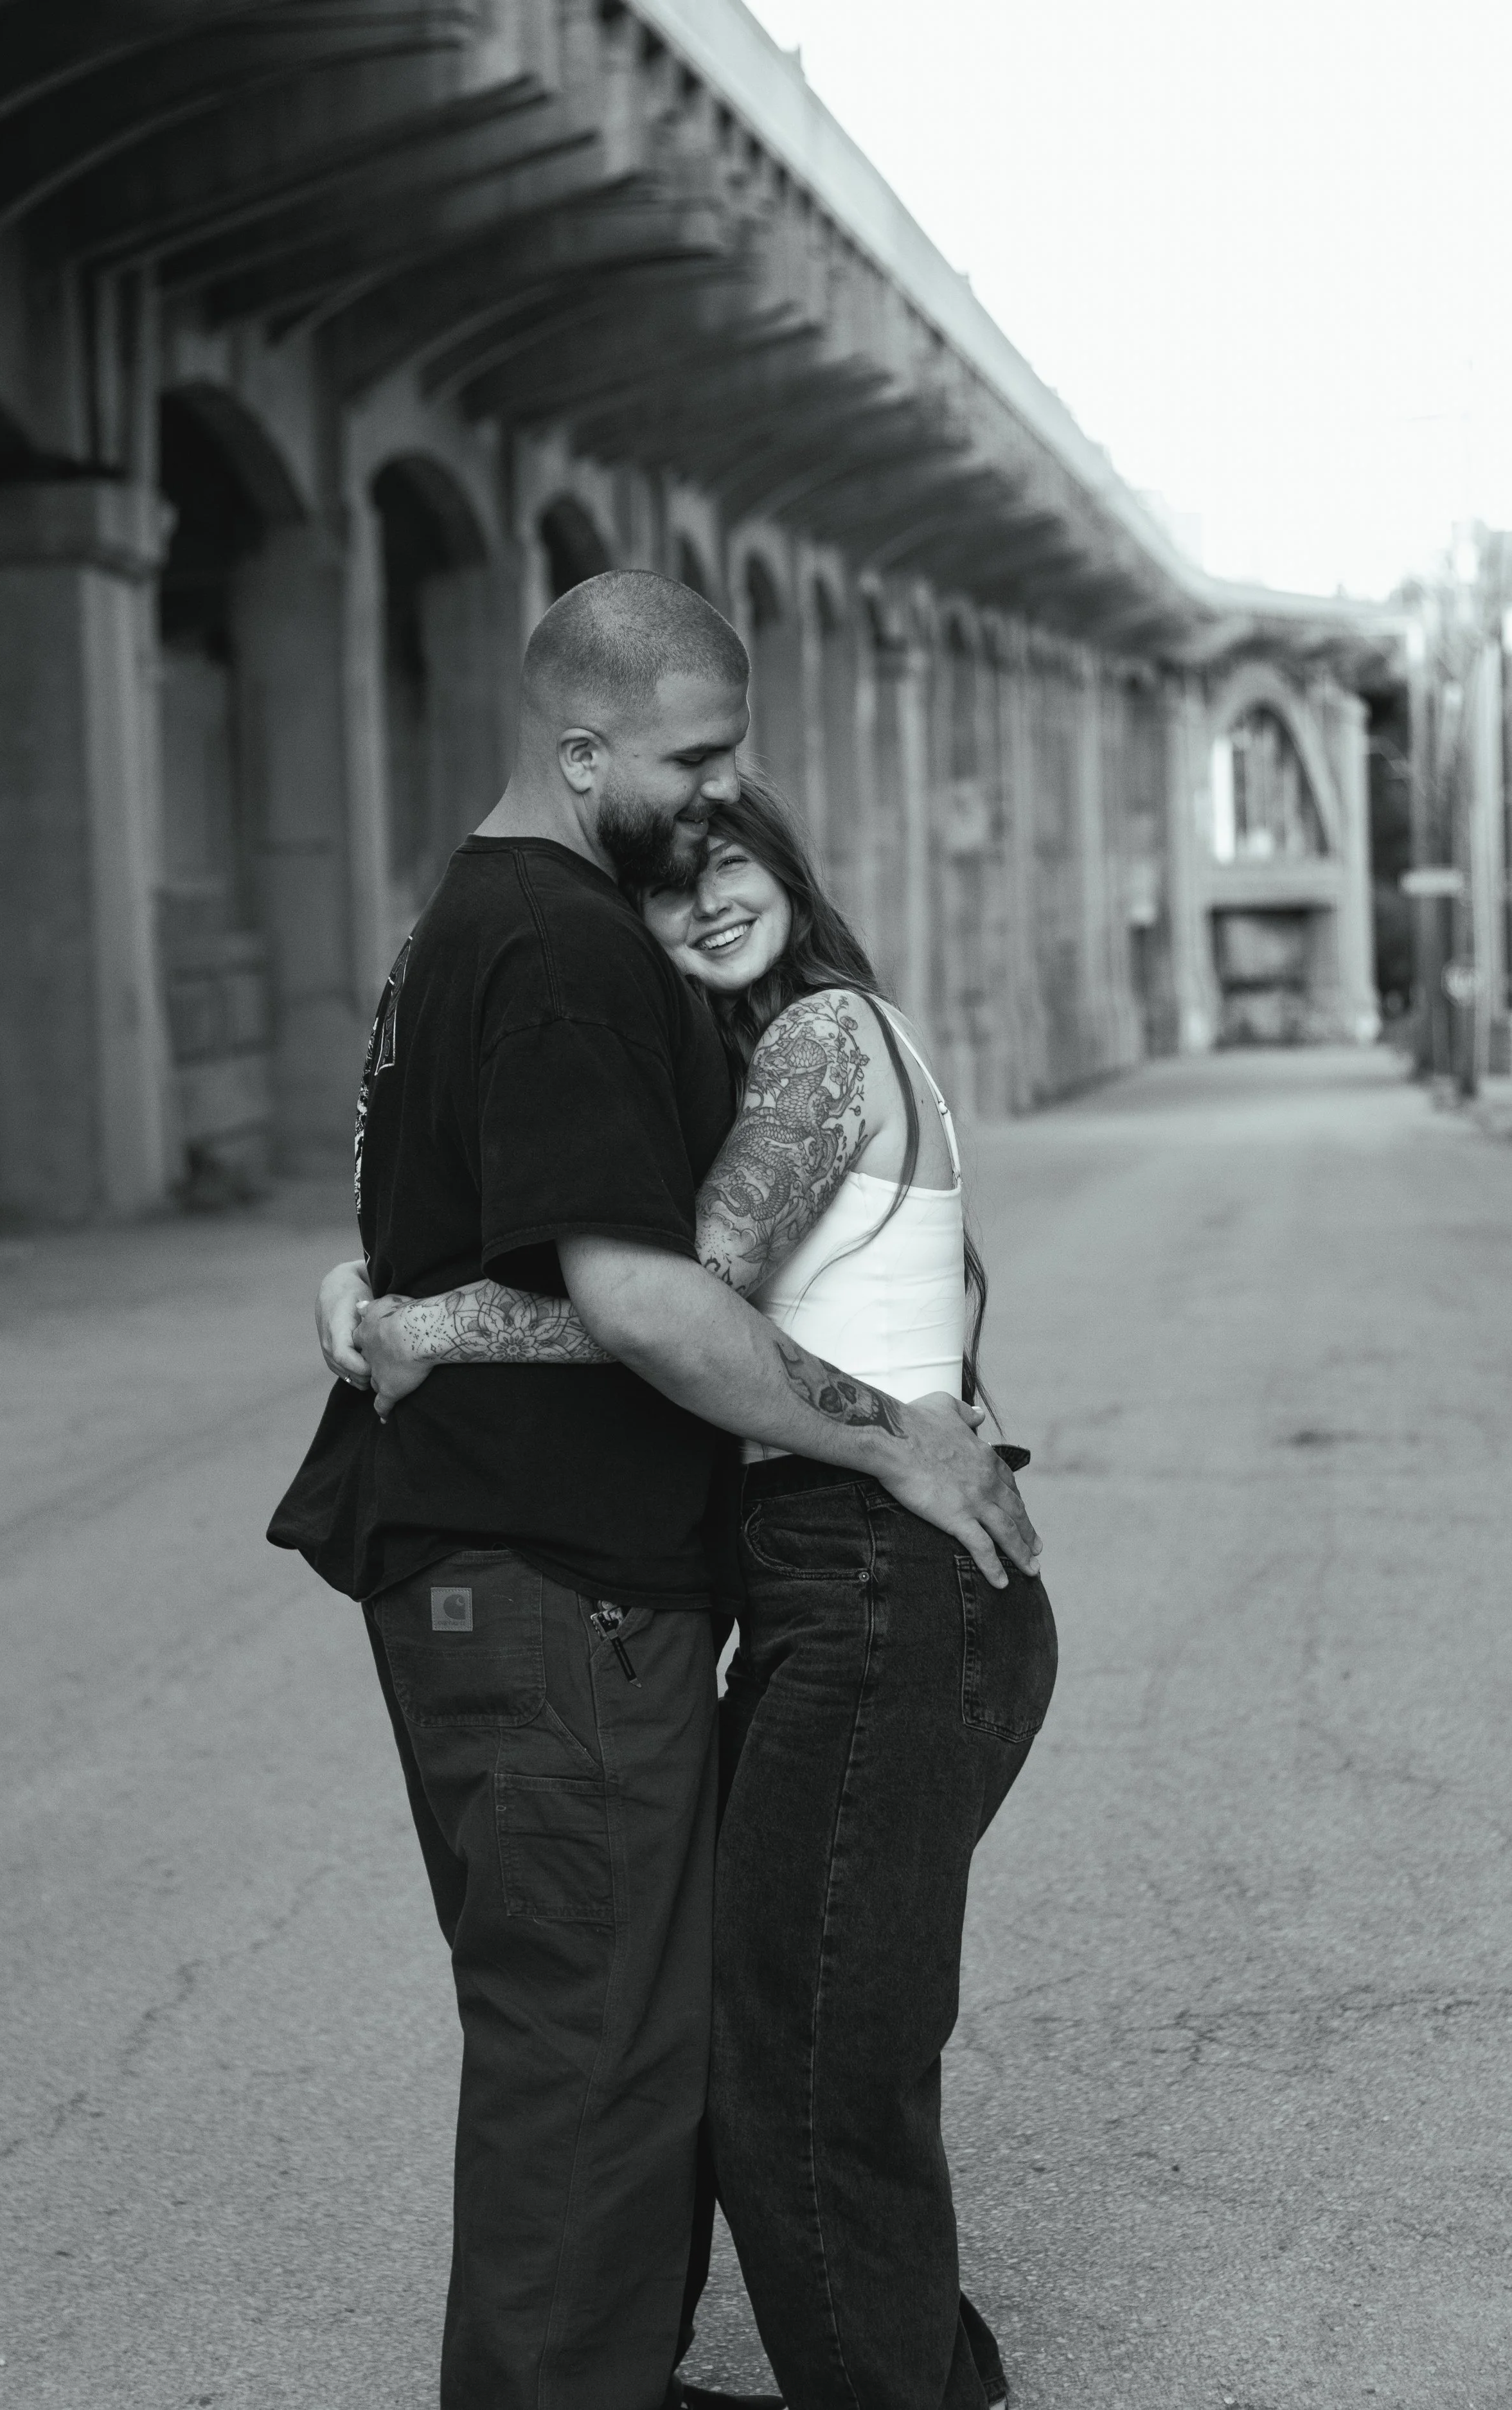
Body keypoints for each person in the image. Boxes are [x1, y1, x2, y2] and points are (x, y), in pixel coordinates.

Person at [271, 572, 1038, 2410]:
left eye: (736, 781)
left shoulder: (577, 961)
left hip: (656, 1575)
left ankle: (620, 2371)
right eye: (690, 767)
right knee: (604, 2033)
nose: (715, 813)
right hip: (552, 1577)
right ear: (578, 747)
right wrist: (893, 1433)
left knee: (658, 2025)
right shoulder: (558, 952)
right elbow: (639, 1297)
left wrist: (404, 1303)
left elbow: (568, 1247)